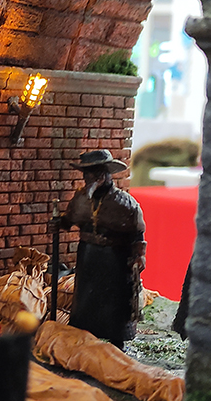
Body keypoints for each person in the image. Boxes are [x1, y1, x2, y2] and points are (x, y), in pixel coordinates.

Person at [51, 149, 146, 348]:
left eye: (93, 173)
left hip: (115, 258)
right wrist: (58, 223)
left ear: (104, 175)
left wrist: (138, 256)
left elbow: (136, 234)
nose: (88, 179)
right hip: (89, 255)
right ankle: (84, 337)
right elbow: (69, 220)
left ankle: (116, 340)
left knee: (115, 300)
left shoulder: (125, 204)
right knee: (87, 297)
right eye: (86, 174)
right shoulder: (81, 199)